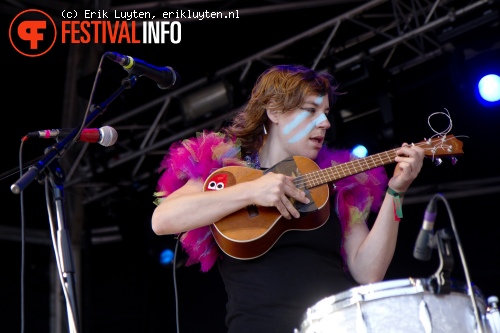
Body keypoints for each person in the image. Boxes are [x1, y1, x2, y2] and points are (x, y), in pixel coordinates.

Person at [151, 64, 425, 333]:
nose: (326, 122)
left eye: (326, 112)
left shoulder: (335, 182)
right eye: (311, 110)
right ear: (274, 112)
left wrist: (396, 192)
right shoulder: (226, 174)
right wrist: (254, 190)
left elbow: (368, 272)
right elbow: (162, 219)